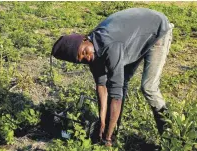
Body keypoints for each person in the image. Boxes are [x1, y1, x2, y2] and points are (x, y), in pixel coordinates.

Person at [51, 8, 174, 147]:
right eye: (83, 59)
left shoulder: (110, 46)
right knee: (123, 81)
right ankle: (113, 129)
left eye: (85, 52)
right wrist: (102, 120)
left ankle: (170, 137)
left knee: (148, 87)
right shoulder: (92, 54)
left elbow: (116, 95)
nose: (88, 57)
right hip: (131, 37)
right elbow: (102, 85)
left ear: (85, 39)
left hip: (157, 29)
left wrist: (106, 139)